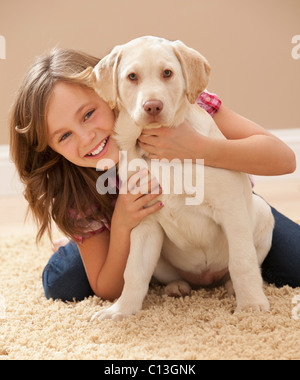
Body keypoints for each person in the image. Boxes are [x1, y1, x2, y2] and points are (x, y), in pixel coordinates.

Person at [9, 48, 300, 302]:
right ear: (50, 149)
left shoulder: (176, 107)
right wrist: (122, 223)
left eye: (88, 114)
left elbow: (284, 159)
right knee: (65, 283)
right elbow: (108, 289)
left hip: (223, 210)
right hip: (133, 233)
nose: (87, 138)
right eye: (64, 136)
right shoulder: (75, 185)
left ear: (110, 94)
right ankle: (78, 243)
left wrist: (198, 147)